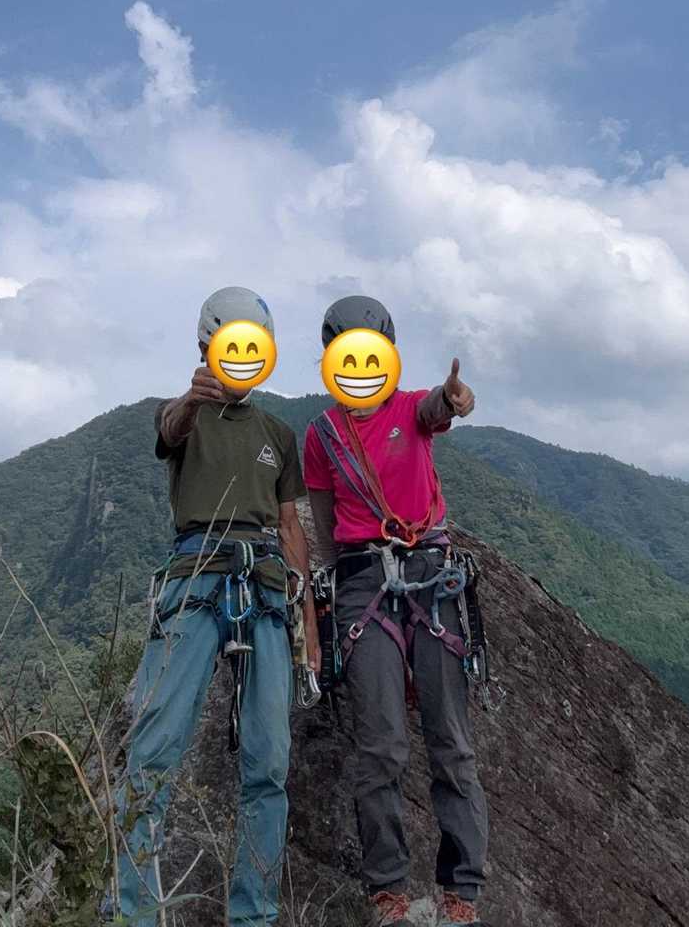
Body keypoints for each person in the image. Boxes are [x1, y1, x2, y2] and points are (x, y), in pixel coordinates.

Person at [102, 286, 319, 927]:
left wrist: (309, 623)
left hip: (266, 585)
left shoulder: (278, 433)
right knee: (155, 746)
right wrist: (191, 400)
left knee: (268, 759)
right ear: (206, 347)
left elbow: (290, 526)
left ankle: (254, 915)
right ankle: (131, 913)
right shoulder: (184, 416)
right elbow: (169, 428)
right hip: (195, 578)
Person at [303, 295, 489, 927]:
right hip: (365, 580)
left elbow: (439, 408)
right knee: (380, 743)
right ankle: (388, 888)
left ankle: (461, 890)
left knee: (449, 737)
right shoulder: (322, 435)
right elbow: (326, 525)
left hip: (428, 572)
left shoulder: (410, 408)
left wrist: (455, 399)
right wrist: (331, 598)